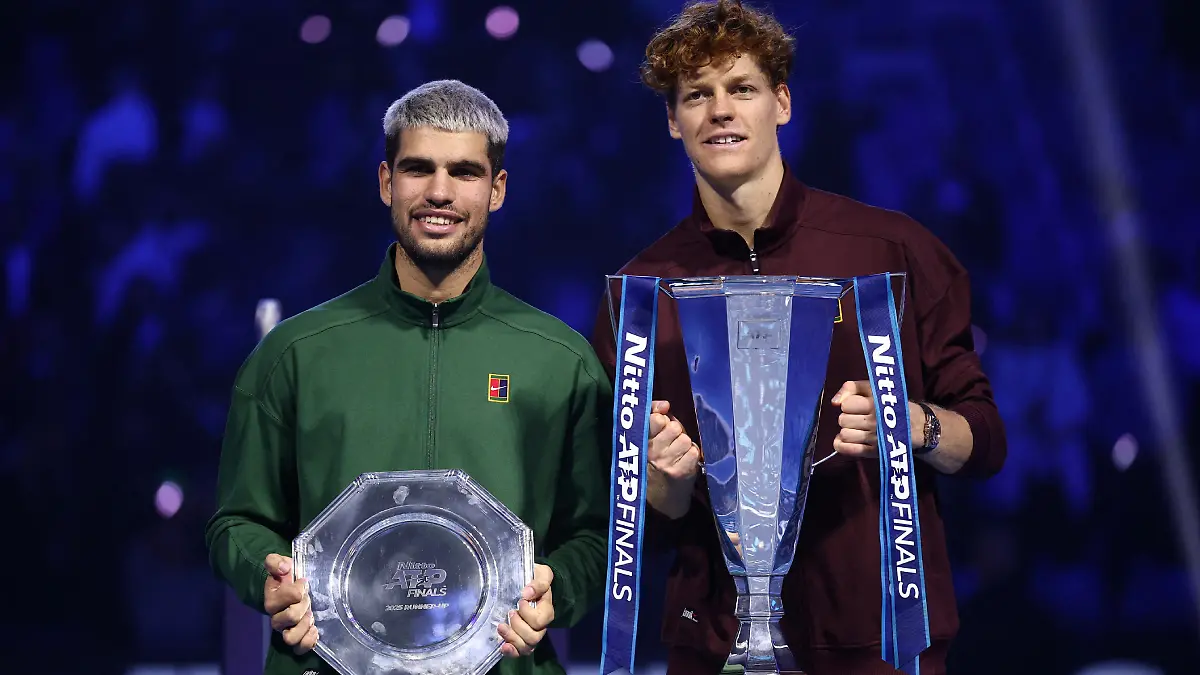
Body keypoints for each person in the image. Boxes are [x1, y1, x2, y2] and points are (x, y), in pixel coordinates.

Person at [589, 2, 1007, 673]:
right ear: (673, 120)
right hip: (715, 645)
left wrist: (913, 424)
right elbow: (636, 526)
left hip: (877, 642)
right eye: (697, 95)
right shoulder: (641, 292)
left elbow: (984, 442)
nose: (720, 111)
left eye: (741, 88)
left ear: (781, 103)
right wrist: (665, 482)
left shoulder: (892, 252)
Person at [206, 79, 613, 675]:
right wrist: (266, 577)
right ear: (386, 182)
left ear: (497, 189)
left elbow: (602, 536)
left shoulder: (561, 361)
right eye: (418, 168)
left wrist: (560, 587)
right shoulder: (295, 353)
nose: (439, 192)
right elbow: (236, 521)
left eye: (465, 172)